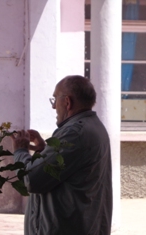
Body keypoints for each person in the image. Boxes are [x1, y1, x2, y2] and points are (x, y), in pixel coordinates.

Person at [10, 75, 113, 235]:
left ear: (67, 102)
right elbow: (67, 170)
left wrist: (20, 151)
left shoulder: (74, 133)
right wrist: (44, 151)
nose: (53, 107)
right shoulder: (92, 126)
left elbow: (32, 180)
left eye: (54, 100)